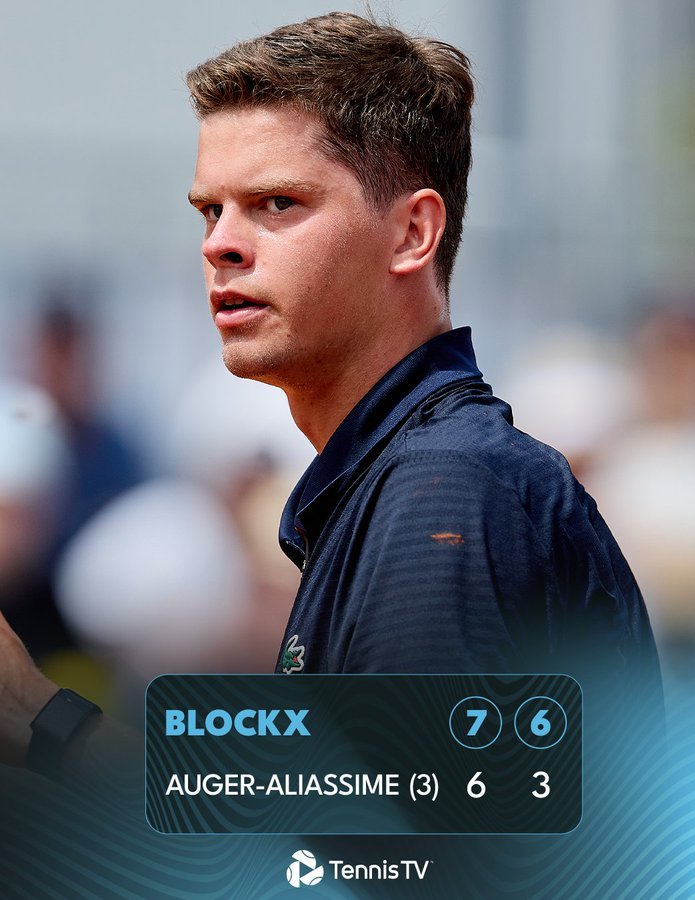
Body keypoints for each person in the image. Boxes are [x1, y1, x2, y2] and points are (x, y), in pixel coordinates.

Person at [0, 12, 661, 780]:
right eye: (211, 209)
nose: (220, 243)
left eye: (277, 203)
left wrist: (41, 718)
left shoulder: (444, 488)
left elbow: (377, 835)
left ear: (412, 233)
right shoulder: (400, 478)